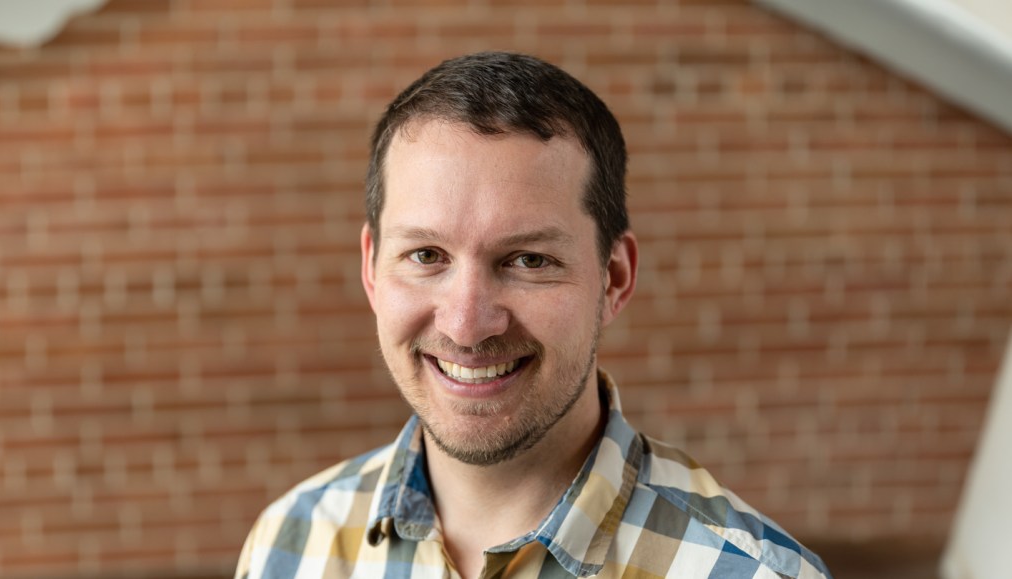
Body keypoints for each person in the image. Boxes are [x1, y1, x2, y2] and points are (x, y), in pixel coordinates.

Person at [235, 51, 832, 579]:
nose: (466, 325)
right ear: (371, 268)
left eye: (528, 260)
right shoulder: (288, 547)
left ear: (613, 278)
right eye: (425, 255)